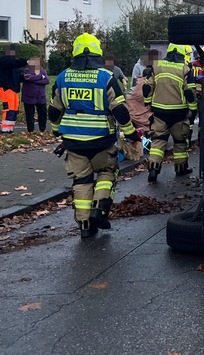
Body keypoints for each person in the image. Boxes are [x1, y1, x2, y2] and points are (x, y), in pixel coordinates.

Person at [48, 32, 140, 240]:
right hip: (101, 140)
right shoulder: (106, 77)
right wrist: (131, 133)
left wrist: (56, 129)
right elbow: (120, 111)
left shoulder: (63, 77)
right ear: (97, 53)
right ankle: (100, 209)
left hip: (73, 142)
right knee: (107, 172)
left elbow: (54, 111)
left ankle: (85, 226)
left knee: (81, 180)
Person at [143, 43, 197, 182]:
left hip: (159, 111)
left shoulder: (157, 66)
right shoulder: (185, 68)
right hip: (179, 112)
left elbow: (148, 87)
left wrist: (148, 102)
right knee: (180, 141)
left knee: (158, 141)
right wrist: (192, 108)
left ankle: (153, 169)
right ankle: (181, 168)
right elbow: (190, 92)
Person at [0, 44, 29, 133]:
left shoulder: (12, 64)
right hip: (7, 88)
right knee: (9, 109)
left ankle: (9, 129)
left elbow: (16, 75)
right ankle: (5, 129)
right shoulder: (4, 59)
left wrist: (23, 77)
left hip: (13, 89)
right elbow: (15, 63)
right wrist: (26, 61)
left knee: (13, 109)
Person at [21, 56, 50, 132]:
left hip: (41, 97)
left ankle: (42, 129)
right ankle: (30, 130)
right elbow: (28, 78)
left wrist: (34, 79)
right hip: (28, 97)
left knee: (43, 114)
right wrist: (40, 77)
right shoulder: (26, 71)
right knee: (29, 114)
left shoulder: (43, 71)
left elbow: (47, 81)